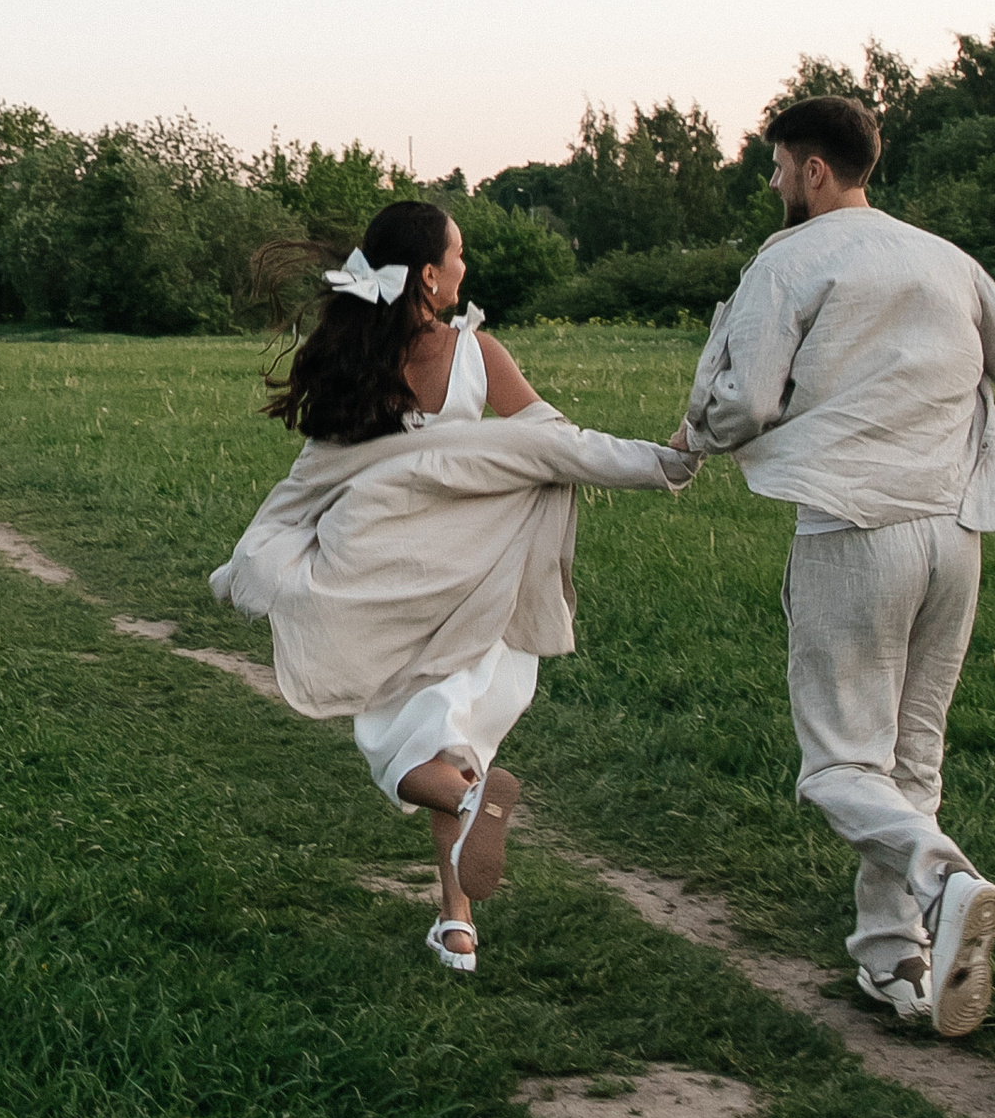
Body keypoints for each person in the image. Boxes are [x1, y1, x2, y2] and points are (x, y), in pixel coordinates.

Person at [674, 94, 995, 1037]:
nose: (774, 183)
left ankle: (942, 880)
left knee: (837, 766)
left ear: (814, 169)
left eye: (779, 166)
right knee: (912, 760)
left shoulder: (788, 259)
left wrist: (693, 436)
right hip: (956, 535)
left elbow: (748, 401)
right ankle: (895, 958)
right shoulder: (947, 260)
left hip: (853, 525)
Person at [211, 199, 696, 979]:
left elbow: (307, 484)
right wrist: (665, 462)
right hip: (471, 582)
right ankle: (458, 911)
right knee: (450, 739)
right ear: (430, 277)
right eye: (458, 254)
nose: (466, 266)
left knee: (399, 747)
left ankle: (459, 903)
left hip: (377, 580)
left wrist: (247, 566)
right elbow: (559, 444)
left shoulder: (353, 361)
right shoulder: (476, 354)